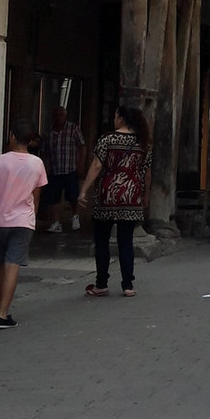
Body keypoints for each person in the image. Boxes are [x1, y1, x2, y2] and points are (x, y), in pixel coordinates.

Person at [0, 118, 47, 329]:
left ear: (12, 137)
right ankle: (3, 314)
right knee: (12, 265)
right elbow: (36, 196)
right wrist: (32, 218)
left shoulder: (0, 160)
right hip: (23, 221)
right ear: (30, 140)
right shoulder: (38, 164)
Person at [78, 106, 152, 298]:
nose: (114, 119)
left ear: (121, 118)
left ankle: (101, 284)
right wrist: (145, 195)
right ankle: (128, 285)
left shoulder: (107, 139)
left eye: (115, 115)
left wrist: (84, 190)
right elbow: (146, 172)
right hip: (131, 195)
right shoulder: (143, 142)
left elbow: (96, 166)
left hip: (107, 196)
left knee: (102, 241)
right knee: (125, 241)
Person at [41, 106, 86, 233]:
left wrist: (81, 163)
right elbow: (44, 151)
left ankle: (75, 216)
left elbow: (82, 146)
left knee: (73, 195)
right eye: (56, 115)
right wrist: (46, 166)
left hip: (70, 168)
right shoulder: (48, 133)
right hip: (55, 169)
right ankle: (56, 222)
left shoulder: (73, 129)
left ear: (66, 116)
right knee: (53, 197)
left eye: (61, 115)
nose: (59, 117)